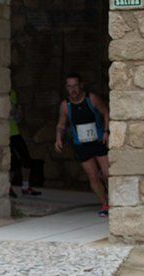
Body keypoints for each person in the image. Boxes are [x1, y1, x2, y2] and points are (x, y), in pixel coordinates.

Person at [55, 72, 110, 216]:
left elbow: (105, 112)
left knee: (107, 174)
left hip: (98, 141)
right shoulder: (65, 105)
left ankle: (115, 200)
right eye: (69, 86)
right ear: (66, 88)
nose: (73, 90)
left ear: (81, 86)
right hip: (82, 144)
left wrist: (106, 131)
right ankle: (105, 204)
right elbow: (61, 124)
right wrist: (58, 138)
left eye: (75, 86)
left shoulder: (91, 98)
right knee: (93, 177)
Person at [9, 89, 41, 197]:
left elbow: (16, 117)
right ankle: (7, 187)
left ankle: (26, 187)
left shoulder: (13, 92)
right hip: (3, 133)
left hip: (14, 132)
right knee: (12, 162)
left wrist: (18, 113)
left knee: (27, 159)